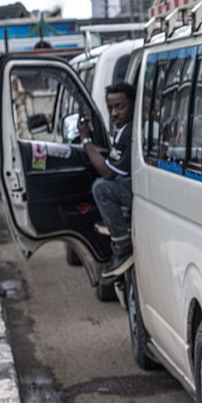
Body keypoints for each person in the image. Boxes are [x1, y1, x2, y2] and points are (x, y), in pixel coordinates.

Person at [78, 82, 135, 280]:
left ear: (133, 105)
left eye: (120, 107)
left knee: (101, 188)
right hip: (134, 186)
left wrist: (86, 142)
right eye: (110, 108)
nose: (114, 113)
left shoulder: (128, 132)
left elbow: (108, 173)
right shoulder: (123, 128)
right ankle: (123, 222)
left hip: (140, 192)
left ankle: (122, 245)